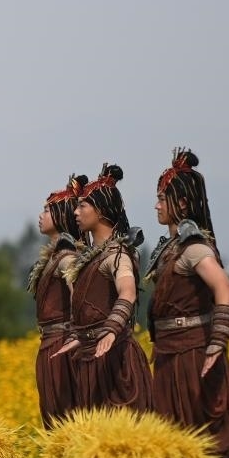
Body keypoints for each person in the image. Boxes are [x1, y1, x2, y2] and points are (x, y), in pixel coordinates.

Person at [145, 149, 229, 458]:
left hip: (196, 355)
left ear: (181, 203)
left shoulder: (194, 247)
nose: (156, 205)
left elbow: (225, 289)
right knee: (188, 441)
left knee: (209, 438)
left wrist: (218, 342)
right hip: (171, 354)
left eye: (162, 198)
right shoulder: (171, 249)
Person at [53, 163, 152, 412]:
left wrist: (110, 330)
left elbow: (128, 291)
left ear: (100, 211)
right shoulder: (92, 257)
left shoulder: (116, 256)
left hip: (115, 361)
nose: (75, 212)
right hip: (91, 358)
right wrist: (79, 336)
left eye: (82, 206)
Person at [28, 175, 86, 458]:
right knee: (59, 422)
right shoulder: (55, 256)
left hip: (64, 344)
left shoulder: (67, 258)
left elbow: (82, 295)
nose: (41, 215)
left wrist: (79, 335)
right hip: (50, 343)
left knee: (72, 421)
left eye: (47, 210)